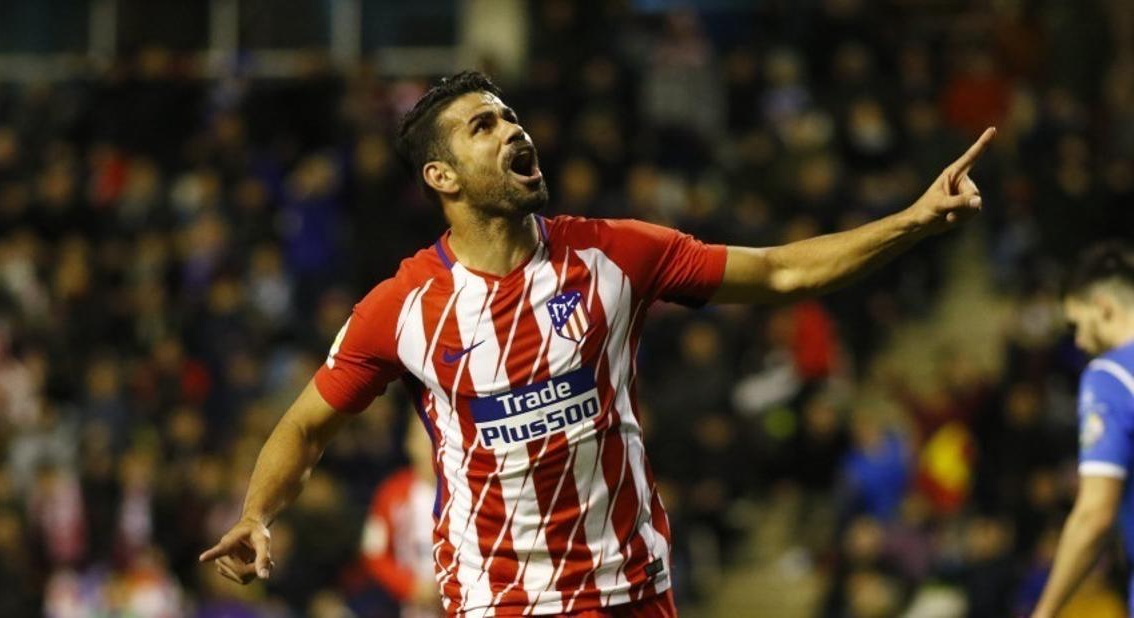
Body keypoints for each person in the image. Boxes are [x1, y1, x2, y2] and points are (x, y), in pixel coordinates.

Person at [199, 71, 994, 617]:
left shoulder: (615, 253)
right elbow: (305, 424)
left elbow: (783, 274)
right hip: (501, 602)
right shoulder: (401, 309)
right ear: (442, 177)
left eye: (511, 116)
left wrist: (915, 218)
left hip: (633, 591)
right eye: (485, 126)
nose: (514, 130)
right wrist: (258, 512)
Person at [1033, 242, 1134, 618]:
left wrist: (1045, 611)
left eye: (1076, 325)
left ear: (1103, 307)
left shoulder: (1109, 376)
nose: (1077, 342)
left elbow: (1094, 516)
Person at [361, 414, 440, 617]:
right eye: (422, 439)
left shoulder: (466, 490)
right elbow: (374, 554)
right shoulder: (391, 493)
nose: (429, 448)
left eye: (434, 439)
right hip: (412, 608)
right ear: (409, 443)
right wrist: (410, 586)